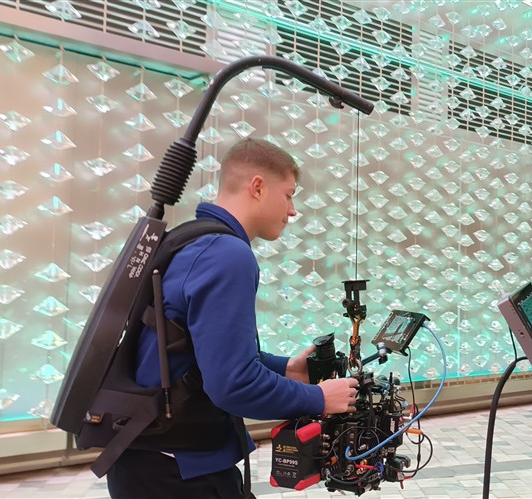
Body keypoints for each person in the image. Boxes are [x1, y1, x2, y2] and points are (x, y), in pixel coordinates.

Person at [106, 138, 359, 498]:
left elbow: (197, 350)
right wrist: (319, 398)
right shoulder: (227, 254)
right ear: (258, 187)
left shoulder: (193, 241)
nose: (292, 211)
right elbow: (234, 385)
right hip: (176, 474)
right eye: (288, 195)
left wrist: (286, 368)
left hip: (157, 461)